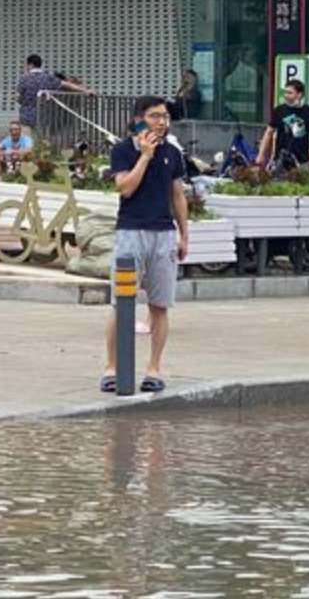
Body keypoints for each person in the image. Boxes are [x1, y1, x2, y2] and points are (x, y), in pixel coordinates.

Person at [99, 96, 188, 395]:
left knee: (160, 304)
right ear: (139, 119)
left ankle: (154, 368)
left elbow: (177, 196)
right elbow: (125, 188)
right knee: (120, 303)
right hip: (130, 231)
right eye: (154, 116)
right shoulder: (123, 151)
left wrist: (183, 234)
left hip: (163, 233)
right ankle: (112, 367)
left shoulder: (173, 152)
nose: (161, 122)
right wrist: (145, 156)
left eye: (165, 117)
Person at [16, 54, 93, 132]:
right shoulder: (48, 77)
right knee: (42, 140)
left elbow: (18, 97)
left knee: (28, 140)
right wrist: (86, 91)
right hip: (44, 116)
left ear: (30, 65)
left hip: (26, 116)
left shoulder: (24, 79)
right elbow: (67, 85)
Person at [256, 79, 309, 167]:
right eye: (285, 92)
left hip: (302, 159)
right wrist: (261, 155)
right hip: (281, 158)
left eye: (290, 93)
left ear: (299, 94)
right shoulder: (279, 110)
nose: (286, 95)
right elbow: (268, 132)